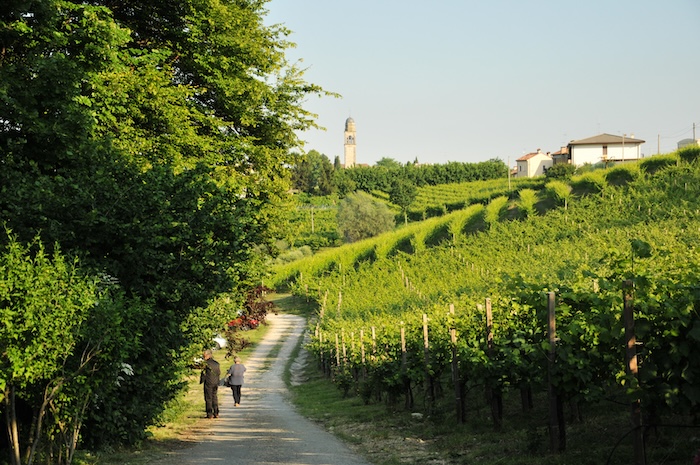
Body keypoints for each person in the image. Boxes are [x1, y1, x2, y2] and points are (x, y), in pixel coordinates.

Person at [200, 349, 220, 418]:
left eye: (204, 356)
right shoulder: (216, 363)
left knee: (208, 398)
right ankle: (216, 412)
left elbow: (203, 374)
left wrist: (201, 380)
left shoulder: (206, 364)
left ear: (208, 355)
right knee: (214, 397)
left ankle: (209, 413)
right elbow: (218, 373)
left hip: (208, 382)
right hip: (215, 382)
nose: (203, 357)